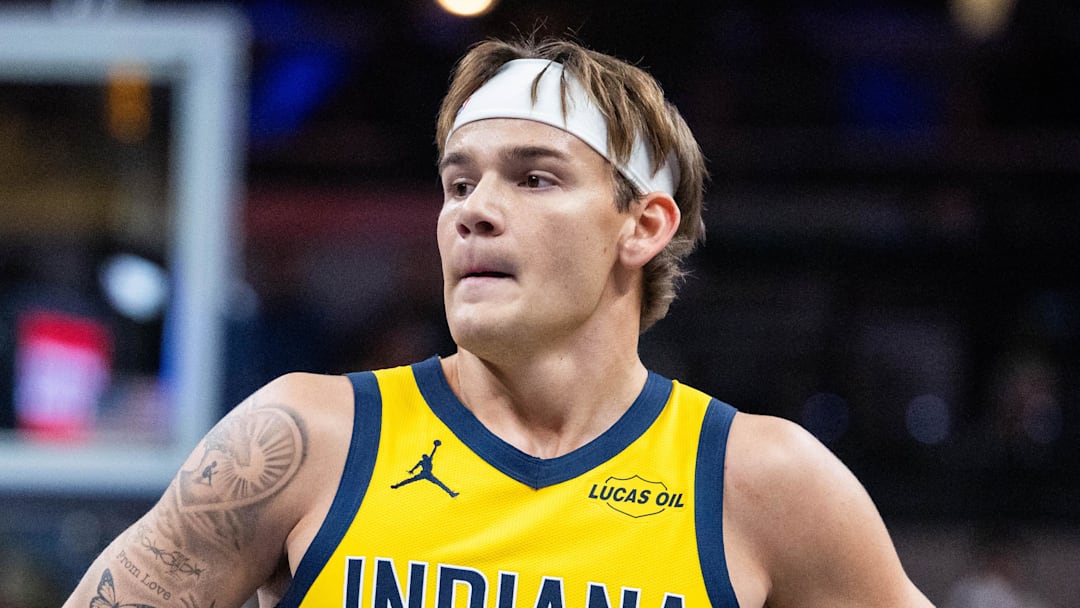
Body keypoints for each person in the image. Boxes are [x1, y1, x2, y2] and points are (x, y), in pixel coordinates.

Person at [64, 36, 934, 608]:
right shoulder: (304, 439)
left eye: (534, 177)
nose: (473, 211)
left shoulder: (761, 480)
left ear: (643, 225)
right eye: (459, 182)